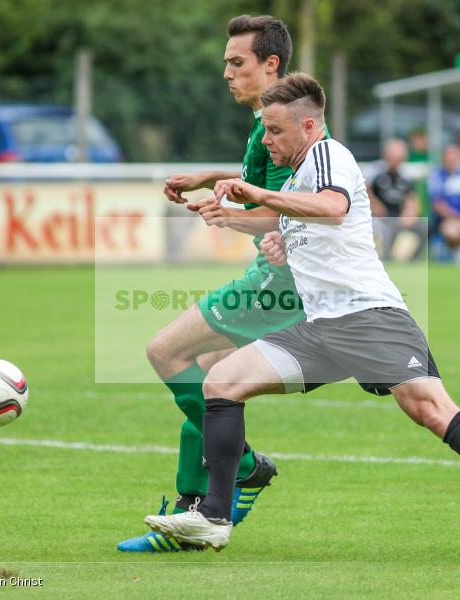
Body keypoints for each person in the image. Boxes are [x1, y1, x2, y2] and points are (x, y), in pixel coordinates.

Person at [145, 73, 460, 570]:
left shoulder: (330, 156)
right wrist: (226, 215)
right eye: (264, 131)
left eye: (276, 131)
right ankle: (214, 517)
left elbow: (332, 209)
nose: (267, 141)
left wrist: (257, 197)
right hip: (319, 329)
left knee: (431, 411)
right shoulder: (298, 173)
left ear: (308, 125)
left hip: (370, 317)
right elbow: (292, 220)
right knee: (222, 382)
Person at [117, 15, 302, 553]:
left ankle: (243, 464)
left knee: (164, 351)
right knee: (206, 375)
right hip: (274, 275)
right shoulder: (268, 123)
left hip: (283, 282)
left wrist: (232, 214)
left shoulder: (292, 123)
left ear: (271, 65)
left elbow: (294, 211)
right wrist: (208, 179)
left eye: (236, 62)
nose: (226, 72)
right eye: (225, 62)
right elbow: (265, 186)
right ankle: (191, 517)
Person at [367, 138, 426, 260]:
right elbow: (367, 193)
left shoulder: (407, 175)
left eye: (399, 157)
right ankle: (386, 260)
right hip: (379, 217)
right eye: (393, 156)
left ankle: (413, 260)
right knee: (384, 229)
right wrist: (376, 206)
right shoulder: (375, 172)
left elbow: (412, 198)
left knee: (423, 227)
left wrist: (410, 212)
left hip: (399, 217)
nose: (396, 160)